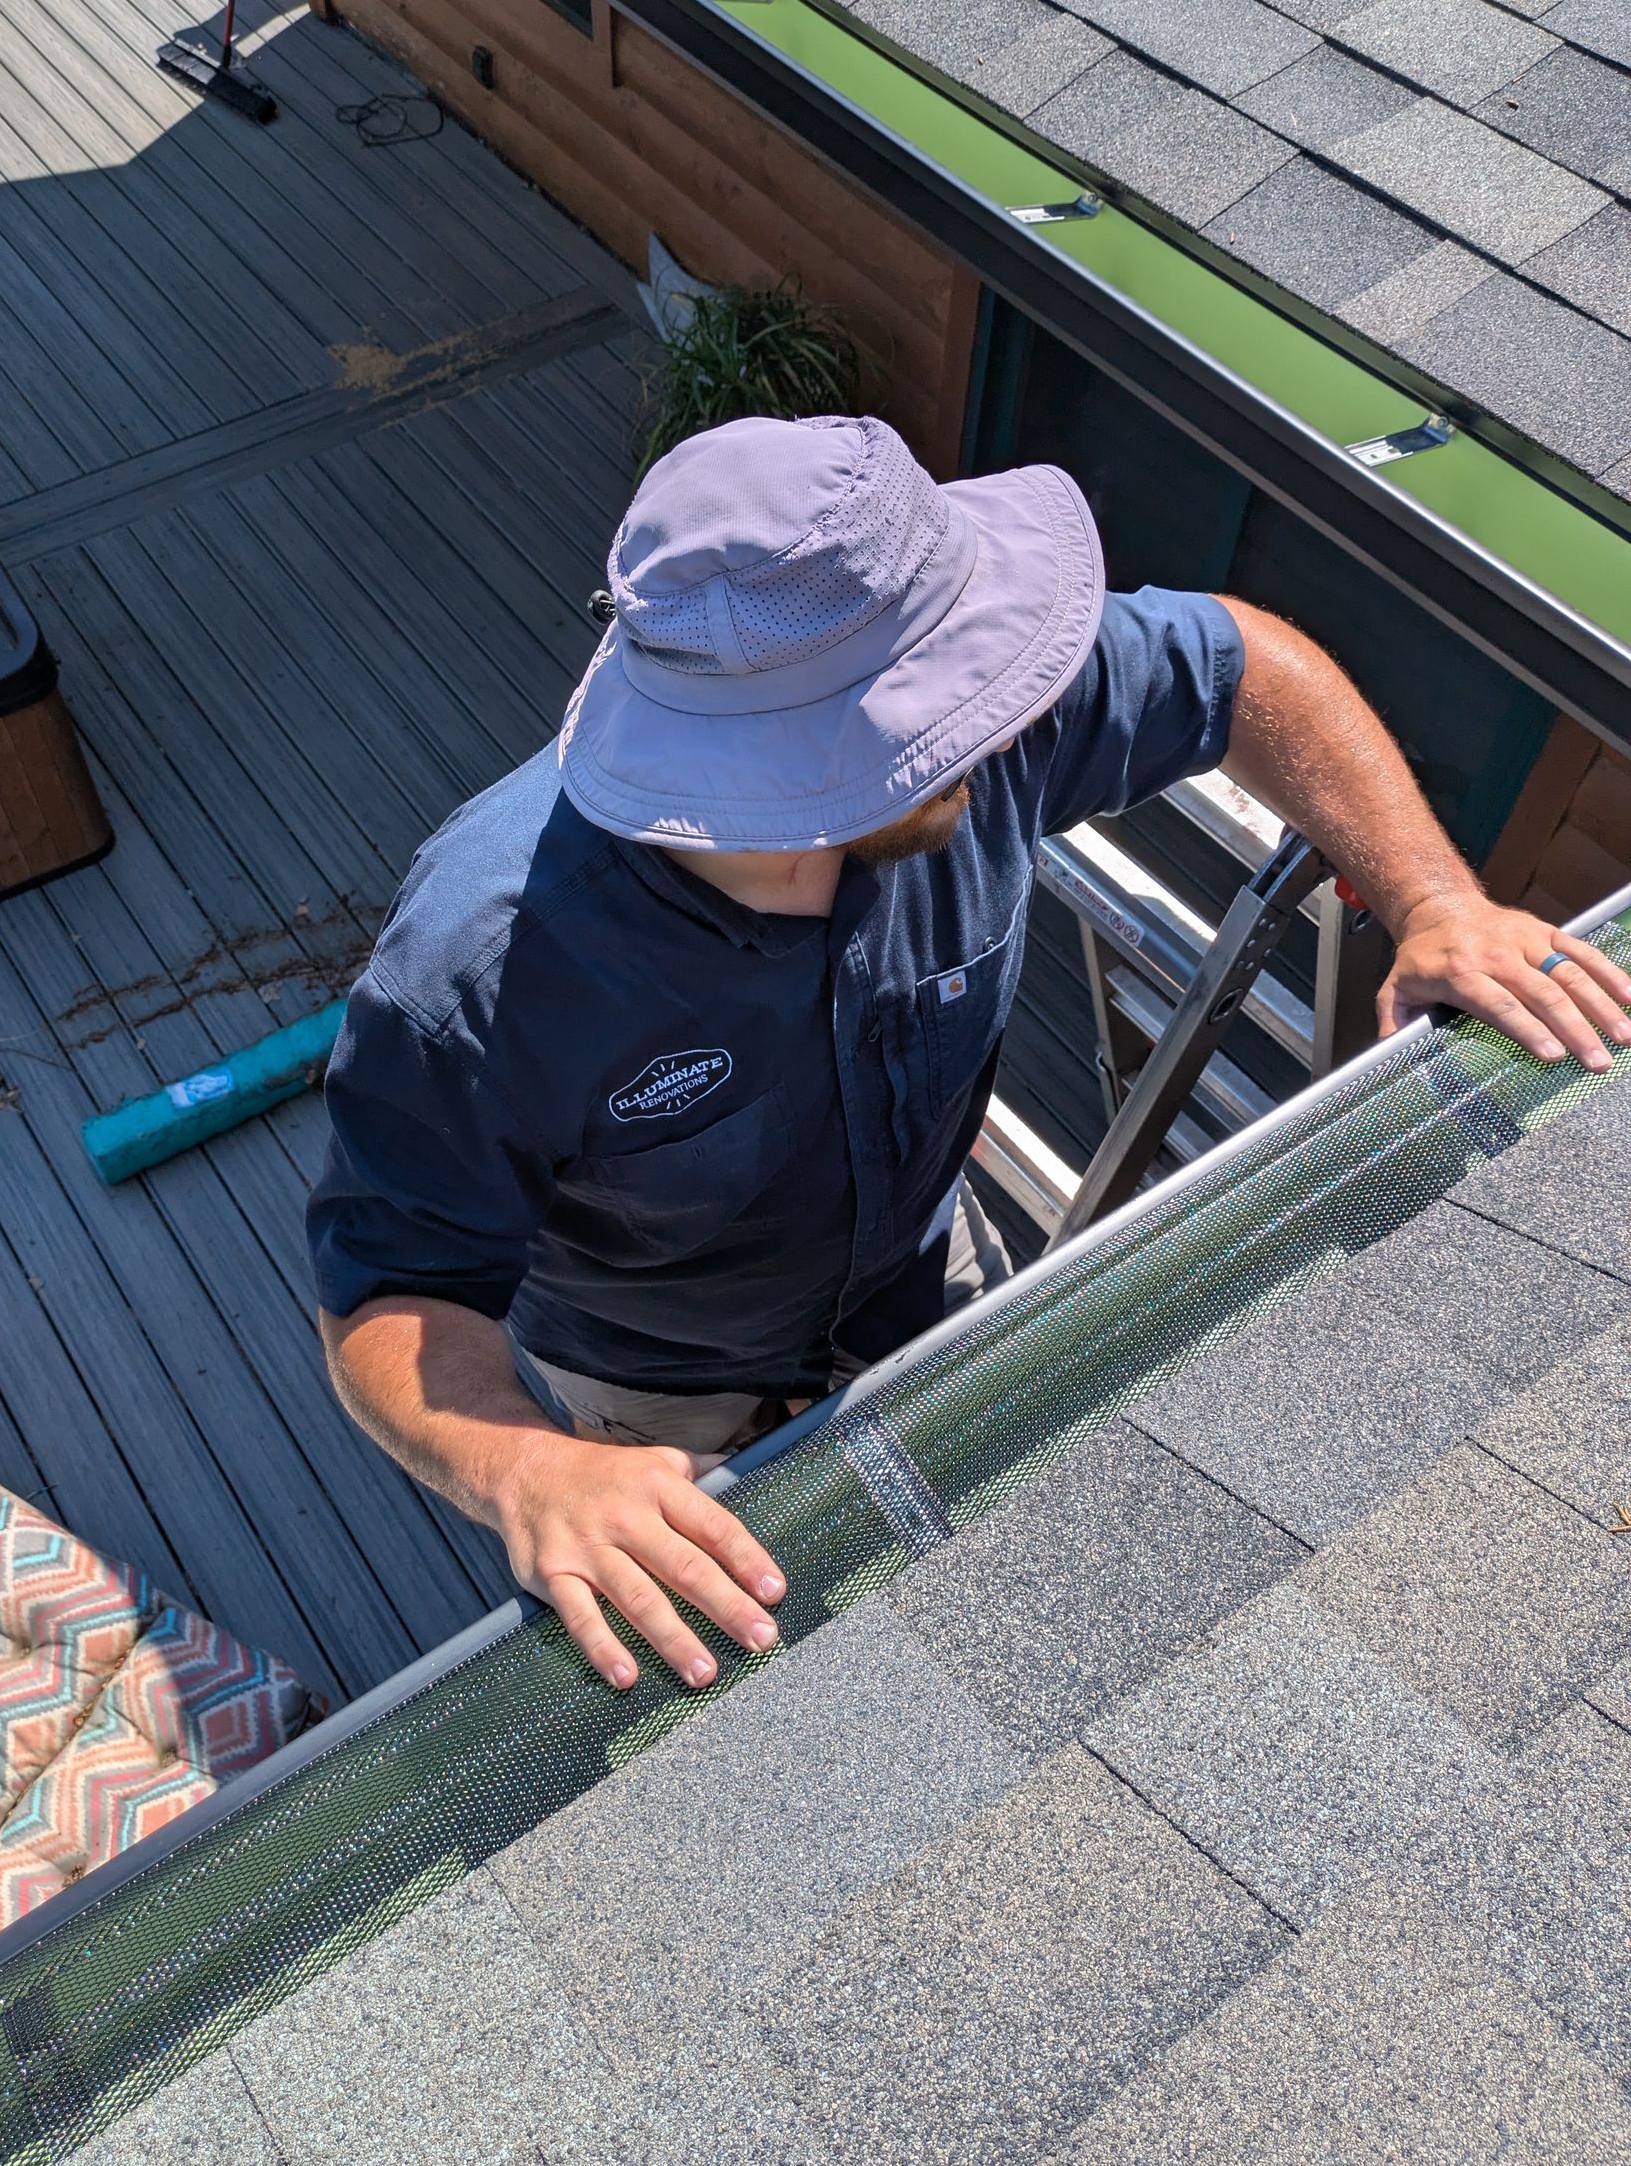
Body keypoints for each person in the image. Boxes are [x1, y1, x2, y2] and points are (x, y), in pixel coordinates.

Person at [310, 414, 1631, 1693]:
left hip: (928, 1278)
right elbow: (390, 1294)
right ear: (790, 762)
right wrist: (528, 1469)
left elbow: (1244, 667)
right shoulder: (482, 967)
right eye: (939, 699)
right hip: (657, 1396)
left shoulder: (983, 727)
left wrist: (1435, 899)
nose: (1000, 705)